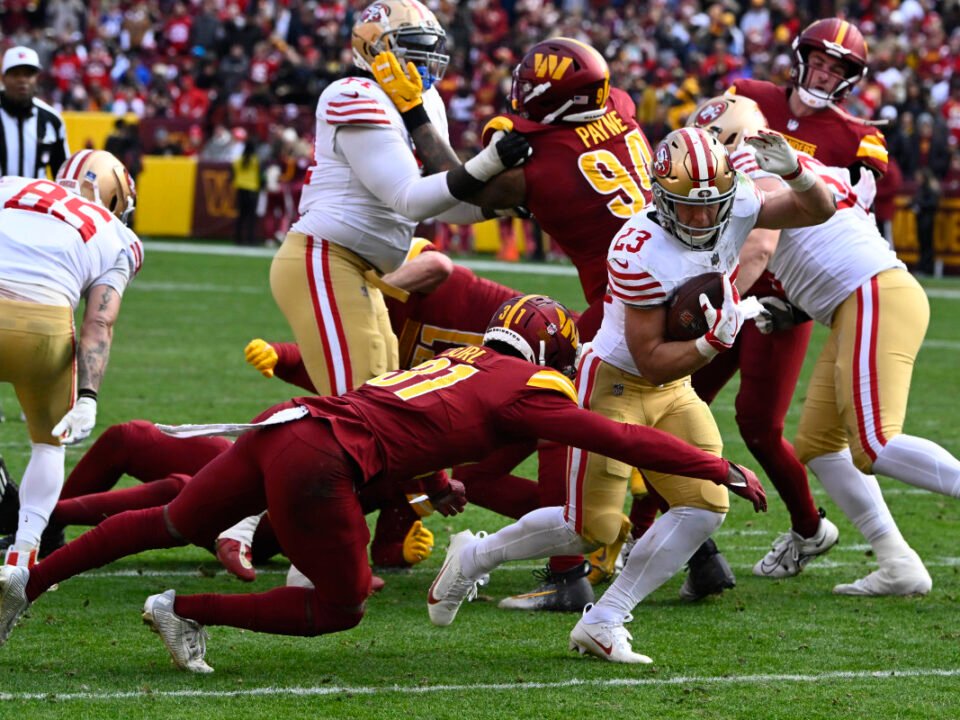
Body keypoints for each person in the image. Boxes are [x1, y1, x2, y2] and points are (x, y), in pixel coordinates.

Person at [0, 295, 765, 674]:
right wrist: (710, 464)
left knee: (168, 520)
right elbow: (618, 436)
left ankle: (27, 581)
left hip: (286, 425)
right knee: (341, 604)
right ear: (548, 353)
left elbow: (413, 419)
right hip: (323, 458)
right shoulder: (528, 383)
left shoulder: (451, 361)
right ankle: (179, 608)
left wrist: (435, 479)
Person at [423, 126, 834, 664]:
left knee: (705, 504)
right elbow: (650, 358)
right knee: (586, 528)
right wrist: (714, 344)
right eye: (687, 208)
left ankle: (607, 618)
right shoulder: (638, 249)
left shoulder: (732, 204)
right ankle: (474, 556)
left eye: (712, 207)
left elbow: (816, 210)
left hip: (675, 388)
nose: (702, 219)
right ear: (661, 197)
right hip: (615, 382)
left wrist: (796, 172)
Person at [373, 36, 738, 609]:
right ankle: (700, 555)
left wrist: (417, 114)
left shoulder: (541, 162)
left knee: (554, 426)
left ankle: (567, 574)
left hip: (619, 308)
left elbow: (455, 193)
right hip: (675, 289)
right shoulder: (618, 106)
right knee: (643, 424)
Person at [667, 17, 890, 579]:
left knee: (759, 426)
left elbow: (853, 207)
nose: (824, 71)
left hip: (781, 302)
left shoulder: (860, 133)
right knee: (676, 400)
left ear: (850, 78)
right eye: (819, 59)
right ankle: (665, 534)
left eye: (837, 67)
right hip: (729, 273)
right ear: (800, 57)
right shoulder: (747, 98)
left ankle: (809, 528)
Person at [270, 0, 530, 402]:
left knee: (385, 404)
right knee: (365, 413)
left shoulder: (425, 103)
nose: (426, 58)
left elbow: (444, 199)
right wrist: (489, 162)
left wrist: (502, 205)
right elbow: (409, 199)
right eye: (413, 46)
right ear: (374, 48)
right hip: (325, 258)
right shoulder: (352, 93)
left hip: (362, 269)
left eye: (431, 47)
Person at [737, 140, 960, 596]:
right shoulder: (795, 167)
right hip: (856, 302)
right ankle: (898, 561)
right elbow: (829, 244)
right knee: (819, 445)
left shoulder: (752, 164)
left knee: (876, 442)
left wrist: (720, 304)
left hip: (873, 293)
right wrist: (795, 309)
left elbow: (761, 246)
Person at [0, 149, 141, 568]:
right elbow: (100, 322)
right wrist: (88, 397)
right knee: (48, 446)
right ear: (116, 198)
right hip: (41, 330)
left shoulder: (9, 185)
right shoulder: (119, 236)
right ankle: (22, 556)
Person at [0, 46, 69, 179]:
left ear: (37, 78)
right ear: (3, 78)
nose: (22, 80)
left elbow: (63, 176)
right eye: (15, 74)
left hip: (35, 199)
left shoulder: (51, 120)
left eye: (28, 74)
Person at [232, 137, 261, 246]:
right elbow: (259, 174)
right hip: (252, 189)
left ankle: (238, 238)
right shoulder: (255, 160)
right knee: (251, 216)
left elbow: (233, 172)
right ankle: (250, 239)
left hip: (240, 189)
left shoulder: (238, 160)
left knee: (241, 215)